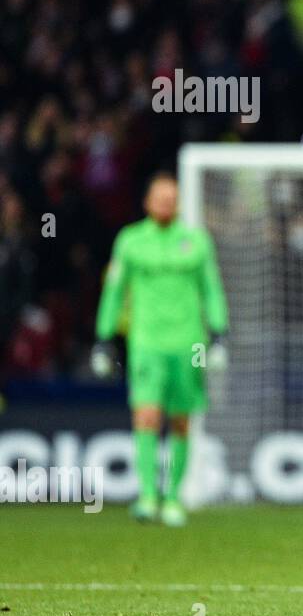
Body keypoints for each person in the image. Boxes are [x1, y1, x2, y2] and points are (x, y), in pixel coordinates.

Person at [92, 173, 229, 526]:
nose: (166, 203)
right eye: (160, 197)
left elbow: (211, 288)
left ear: (179, 202)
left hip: (189, 343)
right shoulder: (131, 241)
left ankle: (173, 498)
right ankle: (148, 495)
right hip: (147, 342)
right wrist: (105, 337)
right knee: (147, 415)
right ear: (147, 202)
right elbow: (115, 289)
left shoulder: (196, 241)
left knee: (181, 420)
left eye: (172, 197)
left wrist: (219, 334)